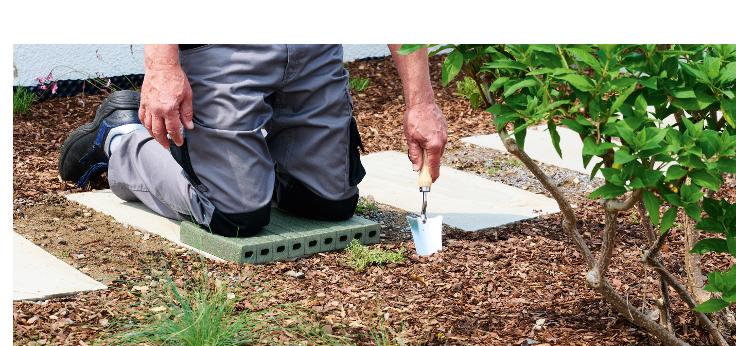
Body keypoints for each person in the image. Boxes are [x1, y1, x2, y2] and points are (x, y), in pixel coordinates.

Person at [58, 44, 448, 237]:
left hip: (313, 48)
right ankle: (123, 137)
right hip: (221, 46)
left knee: (328, 202)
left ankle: (247, 163)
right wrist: (162, 65)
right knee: (233, 214)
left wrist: (421, 103)